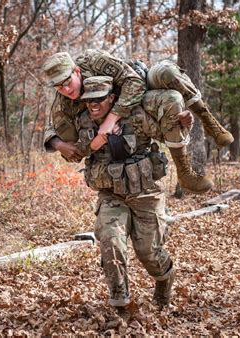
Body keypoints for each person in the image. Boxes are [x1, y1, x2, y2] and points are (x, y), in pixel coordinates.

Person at [50, 75, 176, 318]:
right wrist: (90, 143)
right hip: (111, 194)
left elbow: (167, 133)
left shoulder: (136, 116)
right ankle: (121, 306)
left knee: (148, 252)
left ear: (112, 98)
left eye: (99, 100)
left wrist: (183, 122)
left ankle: (163, 279)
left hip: (145, 194)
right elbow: (71, 147)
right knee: (110, 242)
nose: (92, 105)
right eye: (88, 101)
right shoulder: (84, 121)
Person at [43, 51, 217, 193]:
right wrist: (58, 143)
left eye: (67, 82)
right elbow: (64, 135)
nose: (65, 90)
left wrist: (185, 123)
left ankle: (186, 171)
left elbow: (136, 84)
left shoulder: (95, 62)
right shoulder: (69, 107)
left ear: (77, 71)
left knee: (171, 92)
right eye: (59, 87)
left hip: (134, 98)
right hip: (109, 185)